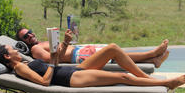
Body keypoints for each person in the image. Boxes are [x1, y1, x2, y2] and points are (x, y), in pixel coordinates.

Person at [0, 30, 185, 89]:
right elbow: (45, 82)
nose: (16, 50)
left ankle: (151, 74)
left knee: (112, 48)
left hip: (72, 68)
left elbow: (54, 61)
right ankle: (165, 83)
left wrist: (64, 43)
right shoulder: (20, 68)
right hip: (70, 79)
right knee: (122, 77)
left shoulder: (25, 62)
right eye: (12, 49)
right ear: (7, 56)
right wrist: (54, 63)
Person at [16, 28, 169, 68]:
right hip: (78, 56)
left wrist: (71, 38)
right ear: (24, 42)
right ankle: (152, 54)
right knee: (115, 53)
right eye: (25, 37)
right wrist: (65, 43)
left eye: (29, 33)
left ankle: (152, 61)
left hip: (80, 50)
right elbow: (53, 60)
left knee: (117, 54)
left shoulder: (42, 42)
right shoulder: (35, 50)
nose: (30, 36)